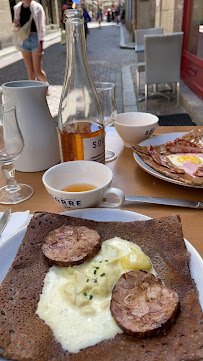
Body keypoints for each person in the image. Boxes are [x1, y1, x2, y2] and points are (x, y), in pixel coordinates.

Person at [13, 0, 47, 83]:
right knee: (30, 71)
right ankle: (33, 92)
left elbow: (41, 27)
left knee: (37, 71)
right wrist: (16, 24)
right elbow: (16, 28)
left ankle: (45, 85)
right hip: (23, 40)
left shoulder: (37, 7)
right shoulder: (17, 8)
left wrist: (41, 43)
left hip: (35, 39)